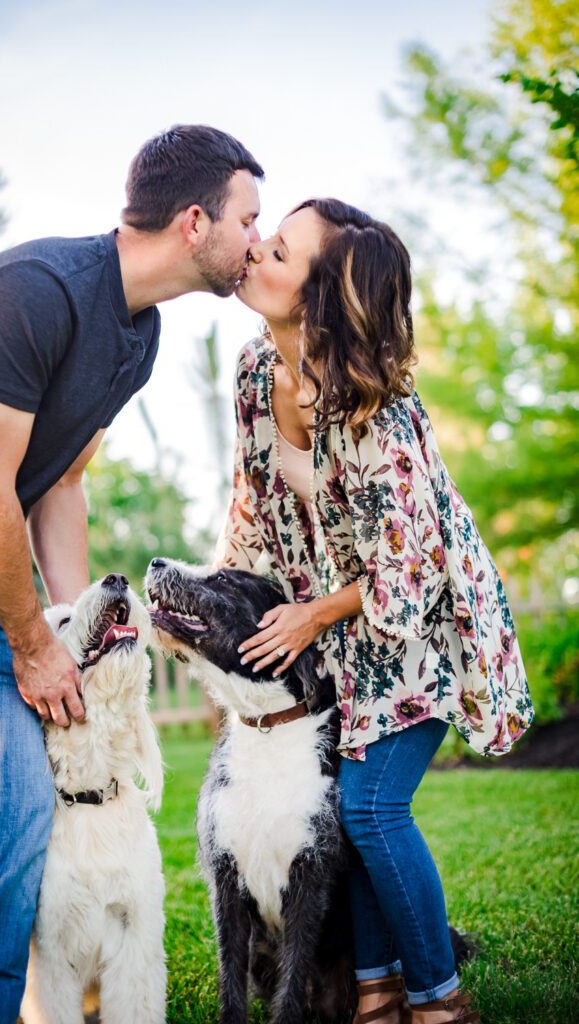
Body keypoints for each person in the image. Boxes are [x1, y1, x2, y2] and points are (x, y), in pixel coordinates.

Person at [0, 123, 263, 1023]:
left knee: (21, 816)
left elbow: (59, 477)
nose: (259, 238)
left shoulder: (139, 333)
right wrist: (32, 641)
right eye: (249, 218)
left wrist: (70, 629)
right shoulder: (40, 292)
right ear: (192, 221)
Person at [216, 198, 533, 1024]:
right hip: (341, 636)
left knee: (368, 806)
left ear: (320, 297)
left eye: (278, 251)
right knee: (341, 808)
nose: (254, 252)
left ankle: (439, 999)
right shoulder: (256, 375)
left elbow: (412, 565)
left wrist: (314, 616)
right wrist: (219, 609)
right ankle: (375, 993)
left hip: (425, 626)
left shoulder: (379, 411)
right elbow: (249, 511)